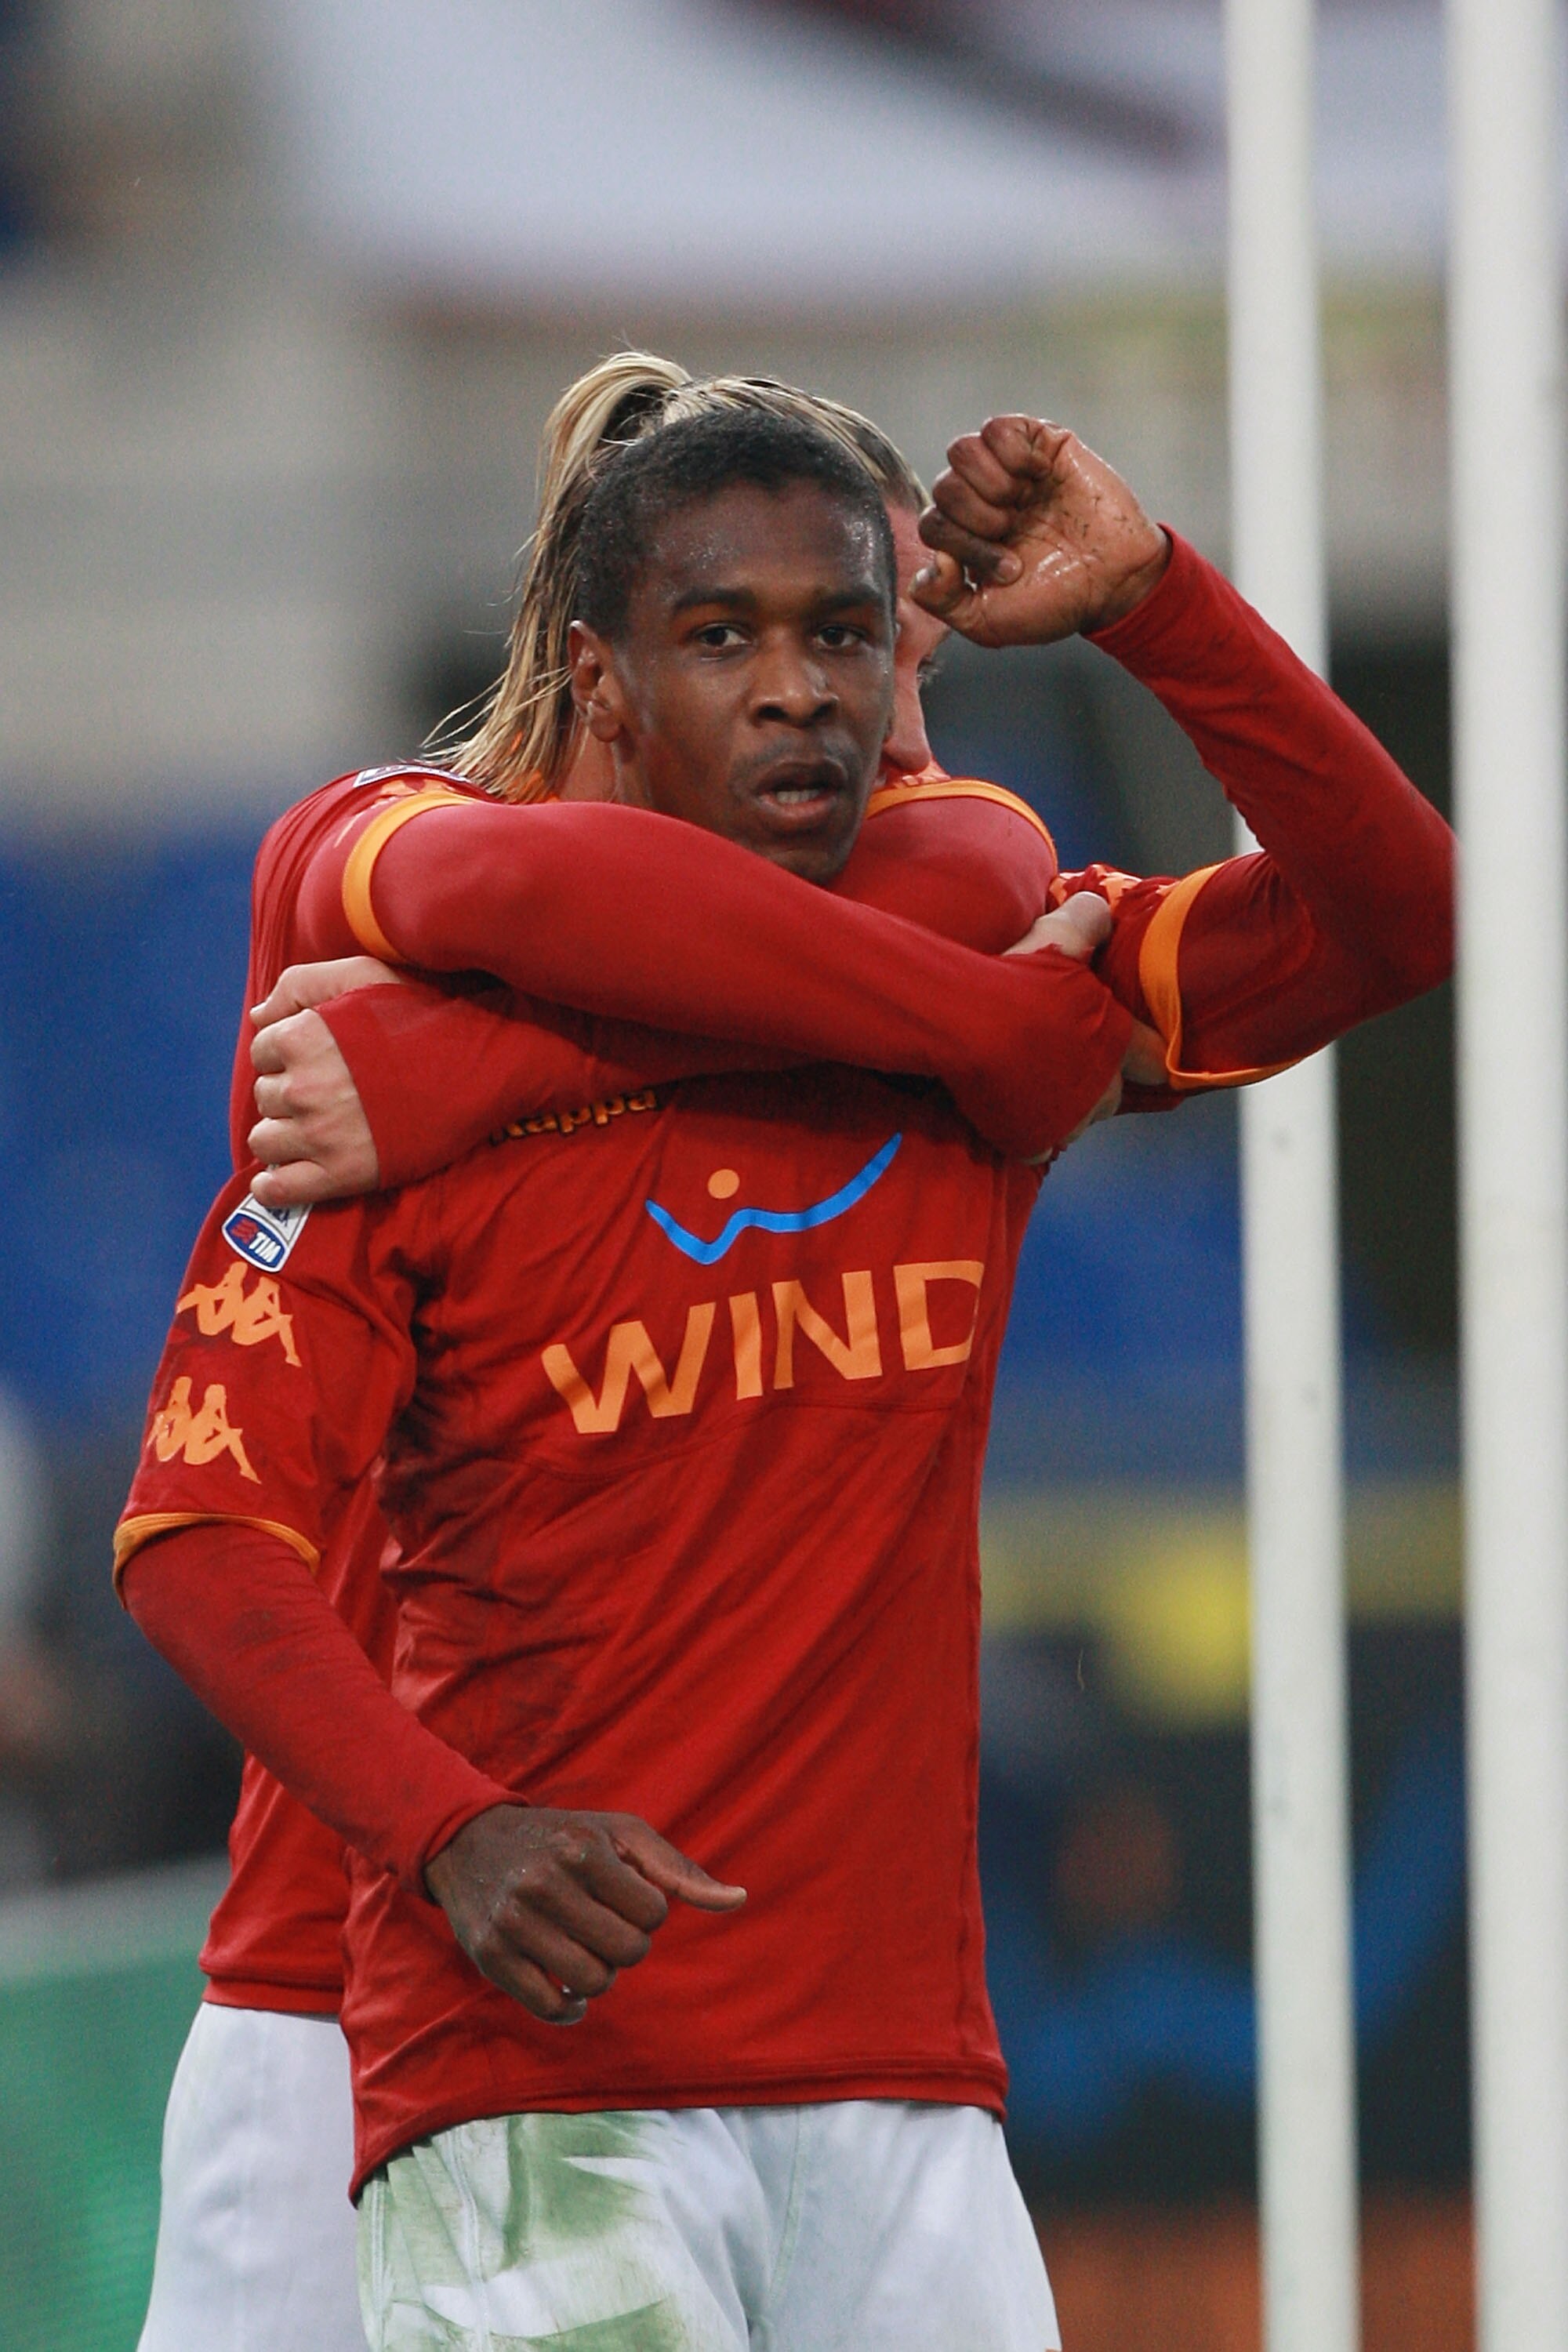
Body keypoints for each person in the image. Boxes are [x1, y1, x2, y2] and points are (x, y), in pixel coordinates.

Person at [118, 398, 1451, 2349]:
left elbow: (1395, 911)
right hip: (391, 2010)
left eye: (867, 638)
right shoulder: (371, 960)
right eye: (733, 636)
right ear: (606, 668)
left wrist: (1158, 603)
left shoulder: (975, 961)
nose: (831, 702)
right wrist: (443, 1823)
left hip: (875, 2072)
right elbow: (198, 1533)